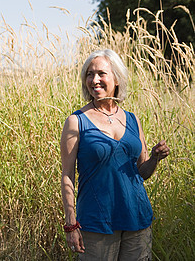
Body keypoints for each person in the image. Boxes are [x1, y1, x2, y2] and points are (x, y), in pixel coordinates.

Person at [60, 49, 170, 260]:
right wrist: (71, 223)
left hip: (137, 219)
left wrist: (155, 158)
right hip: (97, 224)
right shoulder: (76, 121)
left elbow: (141, 172)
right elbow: (67, 175)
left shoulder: (132, 119)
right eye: (89, 74)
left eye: (101, 73)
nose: (94, 80)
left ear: (117, 79)